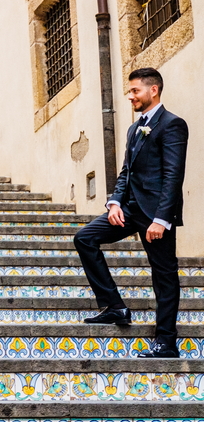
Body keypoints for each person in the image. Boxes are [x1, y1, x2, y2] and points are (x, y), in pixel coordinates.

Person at [74, 67, 188, 358]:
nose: (130, 96)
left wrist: (162, 219)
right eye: (130, 90)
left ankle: (166, 341)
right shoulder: (134, 128)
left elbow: (173, 176)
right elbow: (126, 171)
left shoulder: (173, 124)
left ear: (153, 90)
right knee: (85, 239)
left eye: (135, 90)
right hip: (129, 208)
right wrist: (114, 203)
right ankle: (114, 306)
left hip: (155, 215)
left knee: (164, 275)